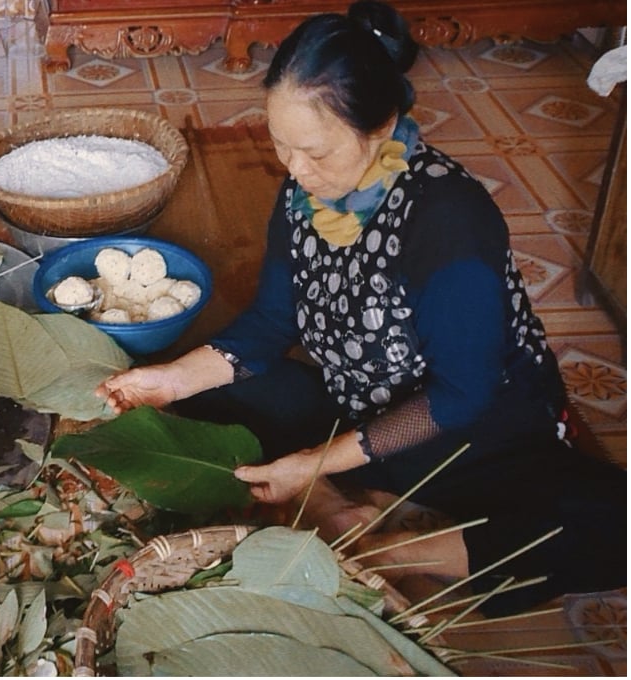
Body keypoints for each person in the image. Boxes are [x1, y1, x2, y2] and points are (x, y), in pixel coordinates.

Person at [97, 0, 625, 615]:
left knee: (611, 524)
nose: (294, 170)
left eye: (316, 152)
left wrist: (313, 460)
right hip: (358, 403)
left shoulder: (451, 220)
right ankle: (338, 509)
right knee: (192, 385)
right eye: (280, 145)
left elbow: (460, 397)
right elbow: (272, 322)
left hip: (467, 432)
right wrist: (171, 380)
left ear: (381, 126)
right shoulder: (304, 194)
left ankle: (391, 550)